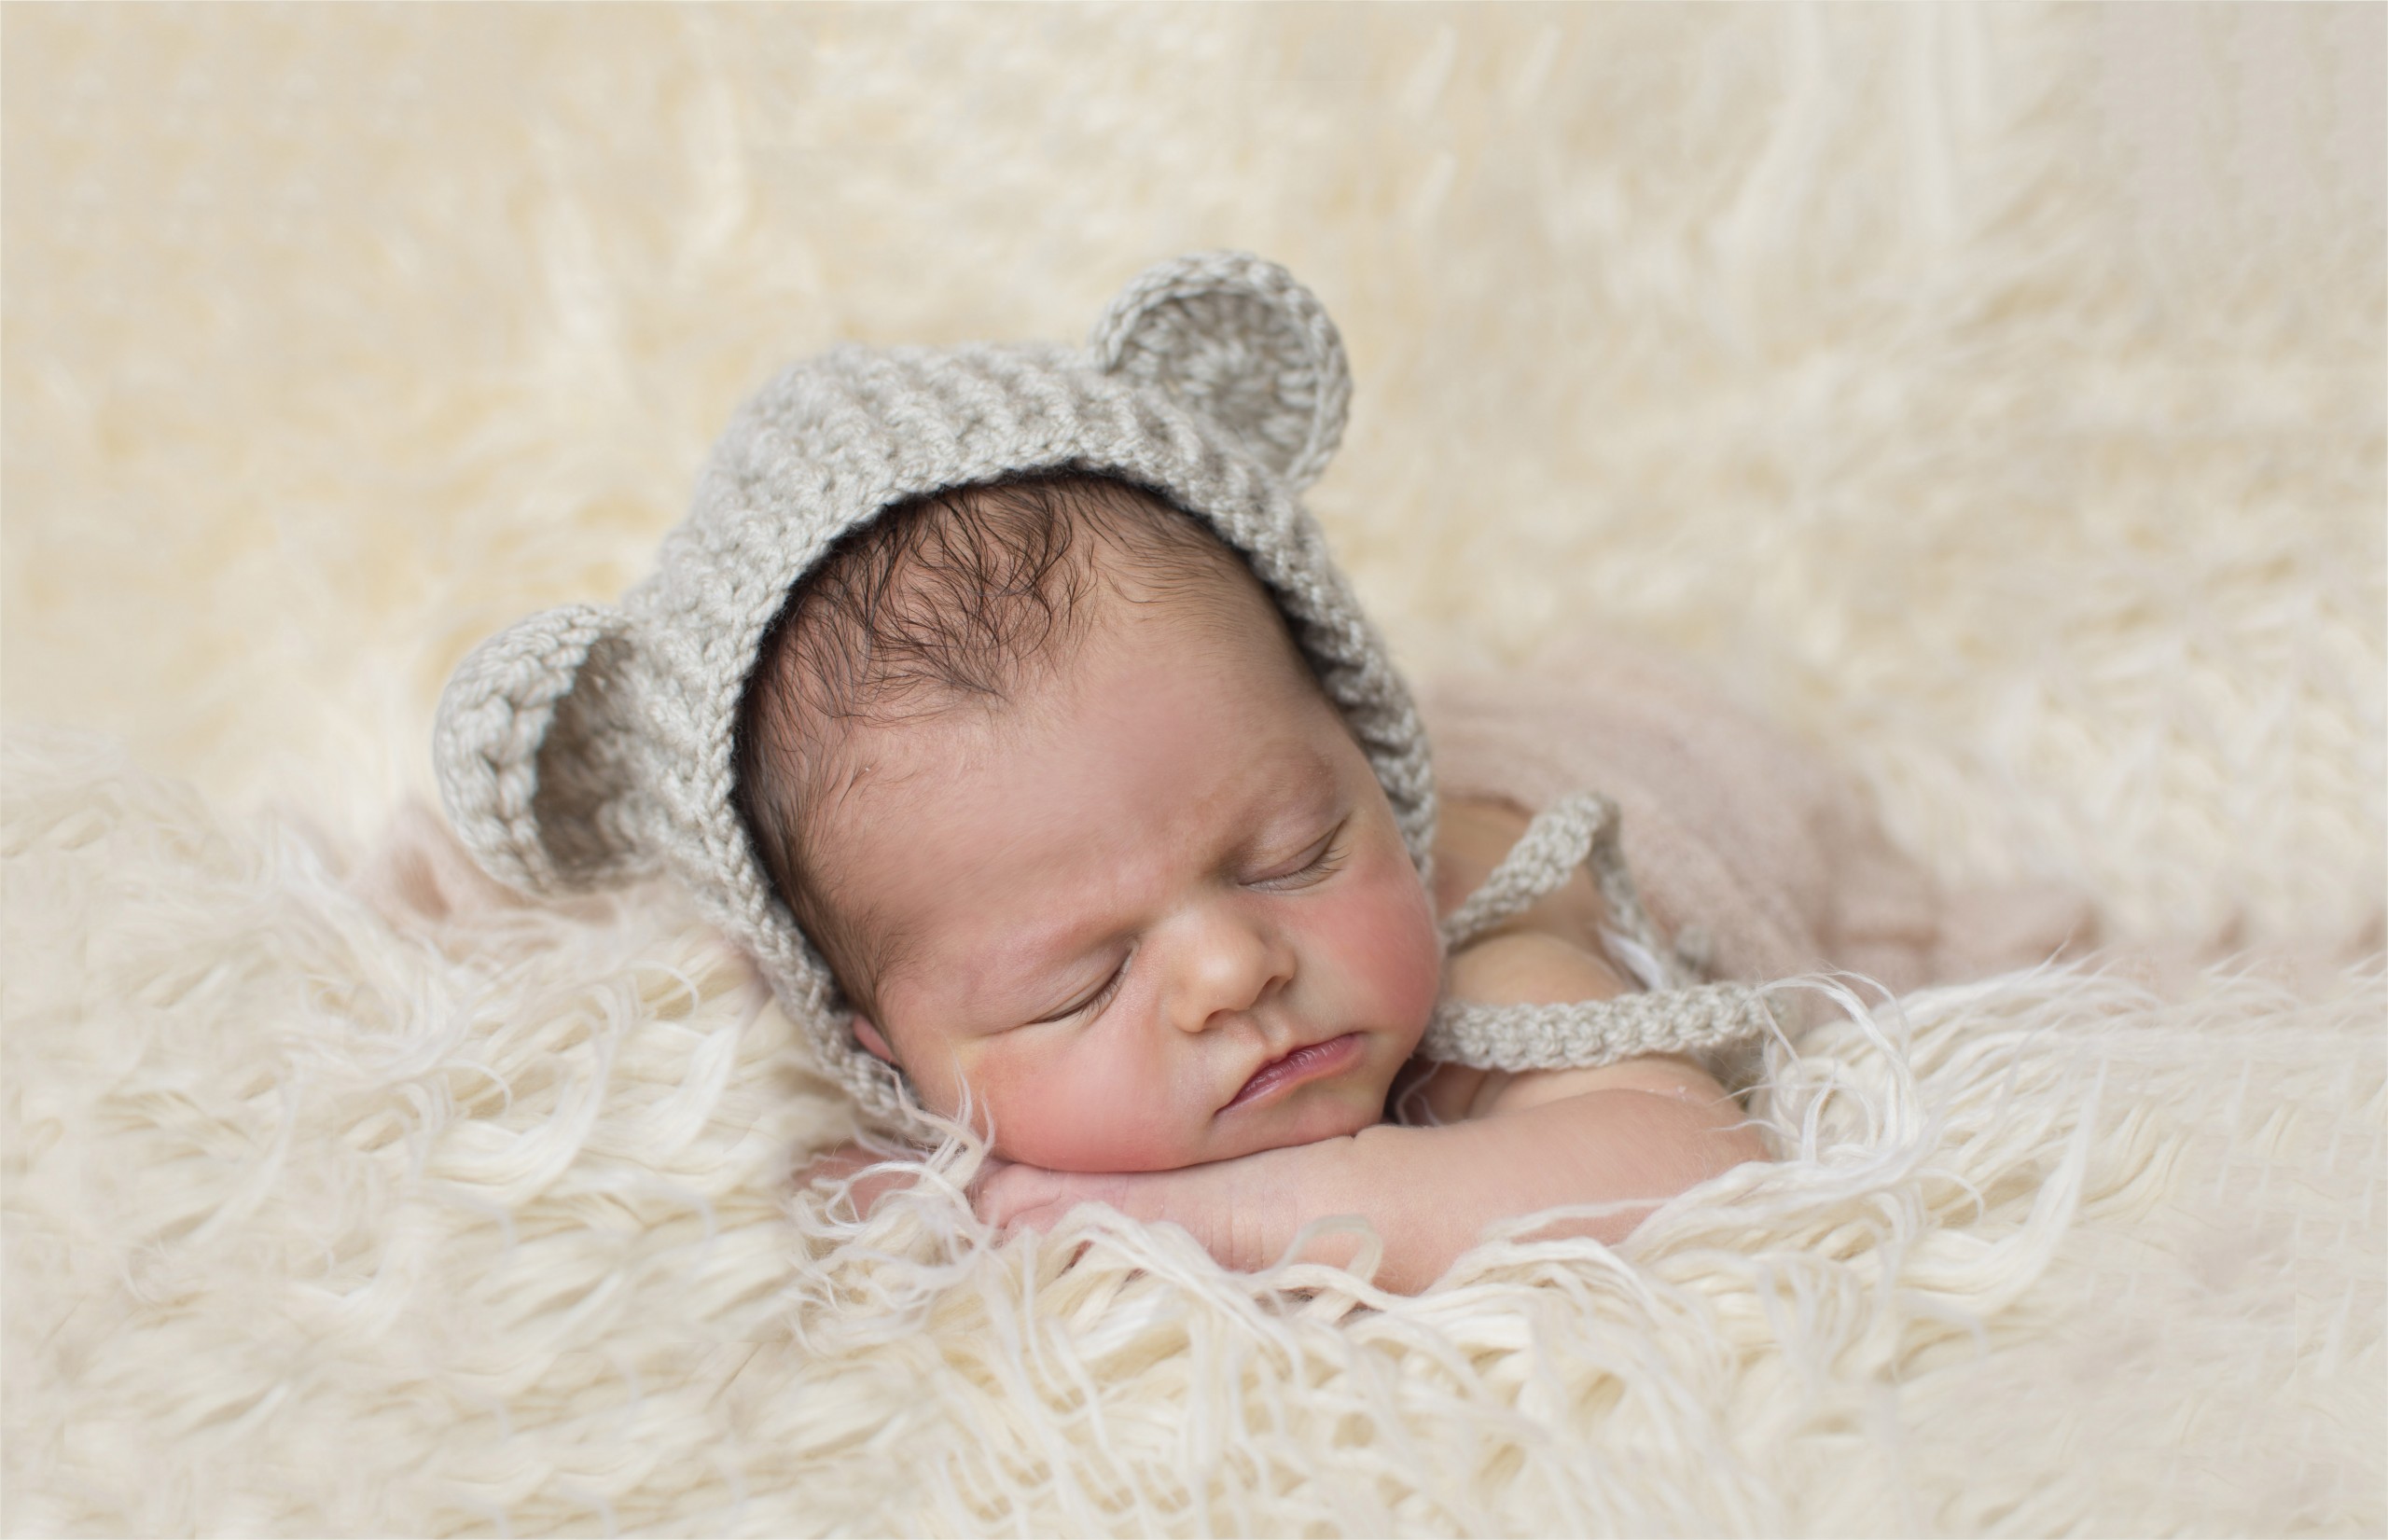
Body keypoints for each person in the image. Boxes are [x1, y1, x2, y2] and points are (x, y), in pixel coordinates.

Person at [434, 252, 2084, 1295]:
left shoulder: (1494, 946)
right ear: (886, 1057)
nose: (1233, 967)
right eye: (1079, 982)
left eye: (1295, 849)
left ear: (1372, 758)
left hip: (1686, 764)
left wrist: (1225, 1214)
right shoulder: (862, 987)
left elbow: (1687, 1179)